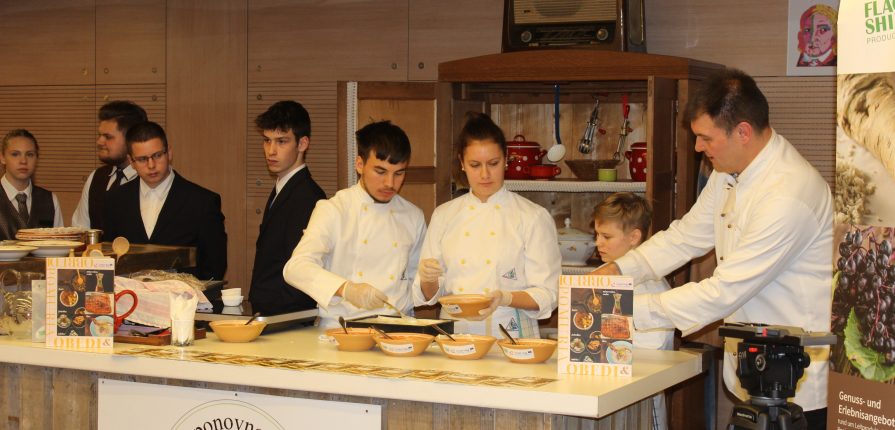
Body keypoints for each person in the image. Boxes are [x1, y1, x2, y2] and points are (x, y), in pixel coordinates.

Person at [590, 68, 832, 428]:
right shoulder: (729, 172)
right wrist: (622, 270)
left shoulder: (787, 195)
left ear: (743, 132)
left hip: (795, 384)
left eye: (705, 138)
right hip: (754, 368)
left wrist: (625, 308)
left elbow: (723, 291)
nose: (697, 148)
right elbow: (687, 235)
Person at [414, 112, 560, 338]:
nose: (484, 174)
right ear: (462, 163)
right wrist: (427, 279)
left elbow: (549, 293)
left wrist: (506, 297)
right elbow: (429, 295)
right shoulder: (444, 215)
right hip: (455, 337)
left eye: (493, 163)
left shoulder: (532, 217)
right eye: (474, 165)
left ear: (506, 159)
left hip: (511, 335)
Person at [283, 120, 426, 328]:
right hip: (342, 330)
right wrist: (347, 289)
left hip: (398, 331)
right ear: (360, 164)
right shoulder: (334, 210)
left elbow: (415, 282)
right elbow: (295, 268)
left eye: (399, 173)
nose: (390, 183)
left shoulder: (413, 216)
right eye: (380, 171)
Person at [103, 121, 227, 281]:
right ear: (131, 162)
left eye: (157, 155)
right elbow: (108, 261)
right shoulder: (115, 200)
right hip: (129, 301)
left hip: (184, 302)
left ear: (169, 153)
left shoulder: (202, 202)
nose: (151, 165)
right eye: (142, 159)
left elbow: (214, 266)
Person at [593, 192, 673, 430]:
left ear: (634, 237)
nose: (598, 242)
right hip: (605, 389)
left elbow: (655, 349)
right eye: (597, 234)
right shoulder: (603, 272)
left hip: (641, 395)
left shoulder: (653, 286)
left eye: (606, 236)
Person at [248, 101, 326, 314]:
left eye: (282, 141)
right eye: (267, 141)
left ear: (302, 144)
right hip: (271, 311)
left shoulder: (309, 196)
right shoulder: (284, 186)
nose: (271, 151)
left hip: (288, 314)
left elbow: (302, 266)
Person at [72, 101, 148, 230]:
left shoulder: (149, 180)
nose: (99, 142)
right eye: (99, 135)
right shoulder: (96, 178)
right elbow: (81, 230)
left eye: (108, 137)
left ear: (132, 139)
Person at [0, 129, 63, 240]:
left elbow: (59, 245)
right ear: (3, 158)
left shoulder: (50, 200)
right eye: (15, 154)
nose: (23, 161)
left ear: (36, 159)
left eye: (29, 154)